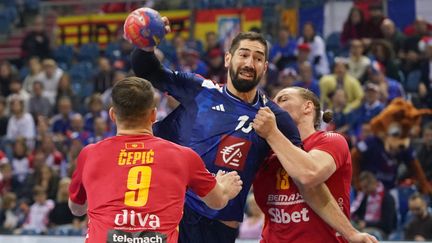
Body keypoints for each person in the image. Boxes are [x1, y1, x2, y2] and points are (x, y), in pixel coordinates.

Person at [130, 13, 376, 243]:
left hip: (218, 227)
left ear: (265, 67)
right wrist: (148, 42)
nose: (250, 63)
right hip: (172, 212)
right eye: (244, 55)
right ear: (228, 59)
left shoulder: (275, 118)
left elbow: (306, 181)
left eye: (258, 58)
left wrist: (351, 233)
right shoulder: (200, 89)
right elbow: (148, 70)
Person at [68, 77, 243, 243]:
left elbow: (76, 209)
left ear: (113, 115)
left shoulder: (90, 154)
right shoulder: (183, 156)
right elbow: (217, 201)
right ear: (153, 115)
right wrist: (225, 187)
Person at [252, 87, 377, 242]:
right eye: (273, 101)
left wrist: (272, 133)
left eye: (283, 99)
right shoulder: (266, 153)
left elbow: (309, 174)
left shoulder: (331, 140)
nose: (274, 107)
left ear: (308, 107)